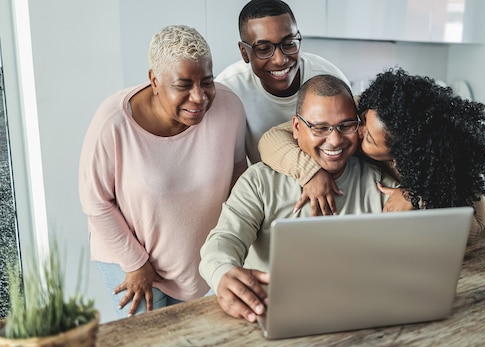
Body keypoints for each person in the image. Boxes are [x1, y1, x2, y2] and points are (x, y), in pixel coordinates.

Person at [79, 25, 248, 317]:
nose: (199, 97)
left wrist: (231, 243)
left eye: (207, 82)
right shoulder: (113, 122)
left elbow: (237, 176)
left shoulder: (229, 107)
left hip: (194, 260)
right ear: (154, 80)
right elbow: (95, 202)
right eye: (183, 85)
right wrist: (135, 263)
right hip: (131, 262)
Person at [199, 74, 398, 322]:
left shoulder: (378, 180)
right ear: (296, 128)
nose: (335, 140)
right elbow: (224, 240)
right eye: (319, 128)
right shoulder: (260, 181)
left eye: (346, 126)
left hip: (360, 314)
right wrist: (222, 272)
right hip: (273, 314)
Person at [258, 67, 485, 241]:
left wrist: (415, 198)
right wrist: (311, 173)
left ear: (399, 154)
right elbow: (273, 138)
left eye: (368, 137)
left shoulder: (448, 163)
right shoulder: (374, 107)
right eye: (360, 121)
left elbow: (475, 226)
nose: (354, 132)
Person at [216, 0, 350, 163]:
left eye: (289, 44)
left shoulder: (330, 80)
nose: (280, 60)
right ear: (244, 52)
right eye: (264, 49)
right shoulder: (228, 90)